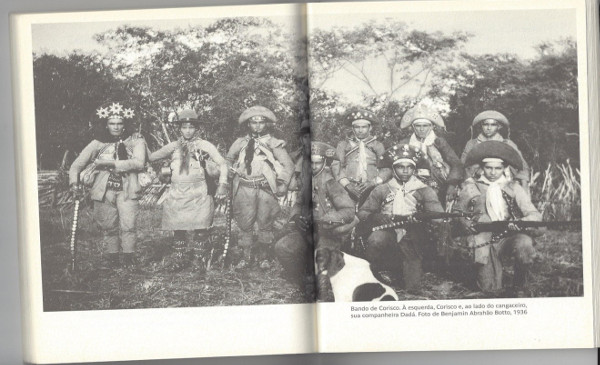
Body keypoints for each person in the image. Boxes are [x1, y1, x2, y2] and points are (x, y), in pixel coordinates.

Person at [453, 140, 541, 296]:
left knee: (525, 246)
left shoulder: (514, 187)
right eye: (488, 168)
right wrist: (467, 224)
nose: (493, 172)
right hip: (484, 238)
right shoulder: (471, 187)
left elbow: (533, 214)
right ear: (482, 168)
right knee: (489, 289)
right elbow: (458, 212)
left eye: (497, 168)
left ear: (504, 169)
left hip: (510, 235)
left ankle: (519, 285)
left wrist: (519, 223)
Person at [357, 144, 449, 290]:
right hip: (387, 229)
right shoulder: (382, 189)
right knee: (375, 240)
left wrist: (422, 218)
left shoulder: (424, 190)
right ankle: (372, 276)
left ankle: (407, 277)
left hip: (414, 232)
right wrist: (377, 216)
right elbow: (363, 212)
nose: (405, 170)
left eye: (409, 167)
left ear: (414, 169)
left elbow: (437, 216)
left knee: (412, 287)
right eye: (401, 167)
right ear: (394, 169)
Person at [148, 109, 229, 271]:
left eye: (191, 127)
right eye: (184, 127)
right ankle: (179, 259)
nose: (188, 131)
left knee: (201, 227)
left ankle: (198, 260)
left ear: (197, 128)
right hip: (177, 192)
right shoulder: (173, 146)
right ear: (180, 128)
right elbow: (151, 157)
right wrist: (139, 142)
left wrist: (222, 184)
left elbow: (222, 164)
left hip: (200, 191)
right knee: (178, 227)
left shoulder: (205, 145)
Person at [69, 102, 147, 268]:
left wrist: (109, 163)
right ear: (106, 124)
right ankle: (112, 258)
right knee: (108, 225)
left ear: (125, 125)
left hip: (128, 188)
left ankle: (129, 259)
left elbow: (139, 163)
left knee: (129, 225)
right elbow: (76, 166)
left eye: (119, 124)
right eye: (112, 123)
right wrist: (74, 183)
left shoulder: (135, 141)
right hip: (104, 190)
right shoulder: (97, 144)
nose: (116, 127)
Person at [275, 141, 357, 286]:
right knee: (282, 247)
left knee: (321, 275)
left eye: (317, 163)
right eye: (310, 163)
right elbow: (299, 203)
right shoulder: (307, 181)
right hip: (307, 231)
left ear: (324, 162)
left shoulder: (331, 183)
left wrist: (325, 220)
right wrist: (296, 217)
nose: (313, 167)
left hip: (328, 233)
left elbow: (349, 210)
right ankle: (299, 277)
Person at [227, 106, 294, 269]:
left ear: (267, 124)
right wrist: (230, 172)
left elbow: (288, 164)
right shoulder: (240, 142)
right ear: (248, 124)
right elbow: (228, 159)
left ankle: (264, 257)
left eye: (261, 122)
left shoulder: (274, 143)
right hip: (244, 187)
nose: (257, 126)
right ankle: (246, 257)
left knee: (265, 223)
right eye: (253, 122)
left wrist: (282, 183)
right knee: (245, 223)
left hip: (265, 189)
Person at [398, 105, 465, 206]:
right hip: (409, 181)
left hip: (438, 183)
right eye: (418, 126)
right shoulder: (405, 143)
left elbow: (456, 164)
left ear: (431, 126)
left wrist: (451, 184)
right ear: (413, 127)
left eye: (425, 126)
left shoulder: (439, 142)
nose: (421, 129)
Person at [331, 109, 390, 206]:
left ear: (370, 128)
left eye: (364, 127)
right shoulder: (343, 145)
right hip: (348, 186)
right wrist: (347, 185)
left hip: (372, 187)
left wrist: (373, 183)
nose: (360, 130)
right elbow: (337, 167)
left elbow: (386, 169)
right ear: (353, 128)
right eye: (357, 127)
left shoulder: (377, 145)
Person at [461, 110, 530, 189]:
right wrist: (468, 181)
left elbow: (523, 165)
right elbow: (463, 164)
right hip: (477, 181)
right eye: (486, 124)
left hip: (504, 182)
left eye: (493, 125)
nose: (489, 128)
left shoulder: (507, 143)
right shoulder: (472, 143)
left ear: (499, 126)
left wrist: (524, 186)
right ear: (481, 126)